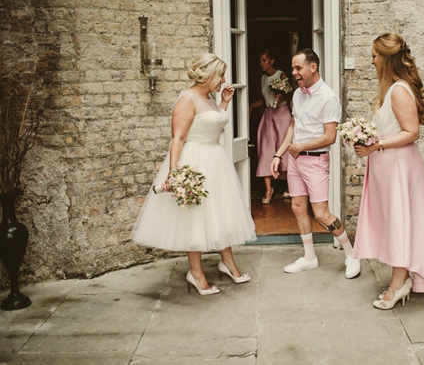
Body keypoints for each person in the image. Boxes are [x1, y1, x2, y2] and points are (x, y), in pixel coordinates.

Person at [132, 53, 256, 295]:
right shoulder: (187, 99)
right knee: (194, 217)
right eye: (221, 75)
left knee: (222, 212)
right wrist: (173, 174)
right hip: (195, 161)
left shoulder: (210, 97)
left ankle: (228, 263)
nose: (223, 79)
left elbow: (211, 124)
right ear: (208, 75)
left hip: (216, 161)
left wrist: (224, 103)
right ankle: (196, 273)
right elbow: (178, 138)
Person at [353, 33, 424, 309]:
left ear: (386, 58)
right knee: (395, 221)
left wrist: (375, 144)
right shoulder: (391, 89)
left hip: (399, 168)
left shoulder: (399, 90)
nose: (371, 61)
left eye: (374, 56)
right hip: (387, 167)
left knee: (400, 222)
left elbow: (412, 132)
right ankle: (402, 277)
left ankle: (399, 283)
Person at [271, 48, 361, 279]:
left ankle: (352, 255)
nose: (294, 73)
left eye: (298, 68)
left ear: (313, 67)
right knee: (298, 207)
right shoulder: (298, 93)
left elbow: (330, 136)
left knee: (321, 213)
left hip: (315, 161)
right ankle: (309, 257)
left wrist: (301, 147)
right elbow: (293, 126)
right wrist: (278, 155)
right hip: (294, 160)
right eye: (293, 68)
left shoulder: (328, 97)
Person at [249, 49, 292, 204]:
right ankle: (269, 189)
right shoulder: (262, 78)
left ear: (272, 61)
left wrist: (282, 95)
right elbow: (263, 99)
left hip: (282, 114)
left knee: (285, 149)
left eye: (264, 60)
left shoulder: (281, 75)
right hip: (268, 115)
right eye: (260, 61)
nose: (261, 63)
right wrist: (252, 106)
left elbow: (290, 95)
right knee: (266, 150)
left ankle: (290, 186)